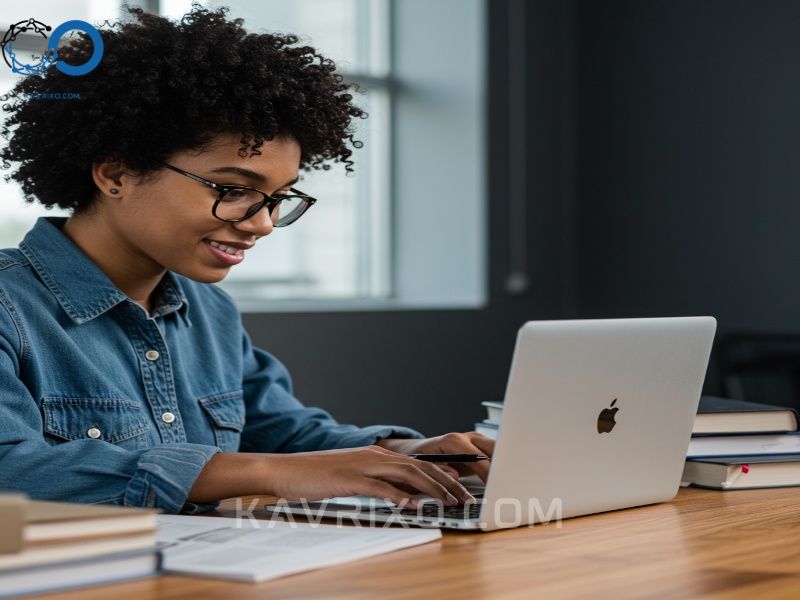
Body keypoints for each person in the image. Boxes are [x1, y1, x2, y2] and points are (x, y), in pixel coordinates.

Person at [0, 6, 493, 514]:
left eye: (279, 197)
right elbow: (11, 468)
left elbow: (282, 431)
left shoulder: (209, 312)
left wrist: (402, 453)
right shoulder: (8, 308)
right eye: (234, 189)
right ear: (116, 175)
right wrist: (268, 472)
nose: (261, 223)